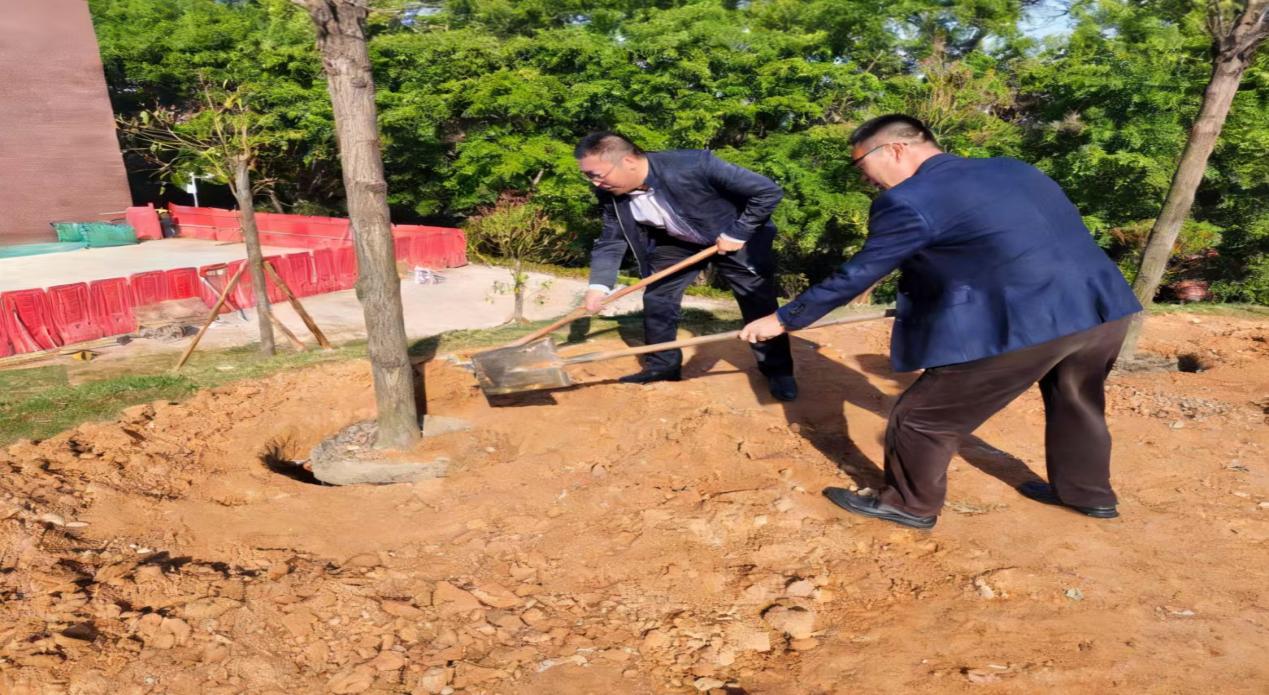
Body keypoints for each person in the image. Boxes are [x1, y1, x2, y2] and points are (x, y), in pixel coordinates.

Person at [739, 114, 1142, 529]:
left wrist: (784, 319)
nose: (864, 178)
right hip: (1101, 308)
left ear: (895, 149)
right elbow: (1008, 242)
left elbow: (859, 272)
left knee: (921, 418)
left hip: (1027, 320)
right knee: (1077, 401)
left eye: (861, 164)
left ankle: (908, 504)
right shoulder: (1013, 169)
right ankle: (1087, 494)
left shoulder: (908, 199)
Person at [576, 132, 798, 401]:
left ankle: (778, 371)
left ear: (628, 162)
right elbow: (611, 238)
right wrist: (598, 286)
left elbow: (767, 191)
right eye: (588, 176)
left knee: (757, 301)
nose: (595, 183)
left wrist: (738, 232)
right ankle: (663, 366)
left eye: (597, 175)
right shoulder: (610, 193)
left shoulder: (694, 164)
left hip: (736, 238)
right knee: (658, 297)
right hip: (678, 242)